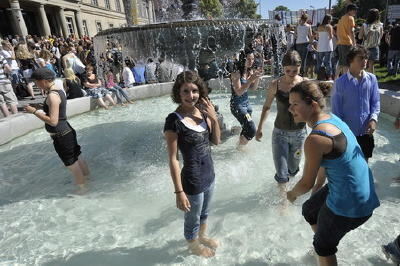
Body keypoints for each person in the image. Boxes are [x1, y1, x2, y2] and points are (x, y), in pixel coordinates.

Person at [286, 80, 380, 266]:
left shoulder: (315, 139)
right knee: (310, 210)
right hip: (364, 194)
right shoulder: (332, 119)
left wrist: (291, 195)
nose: (290, 109)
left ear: (312, 105)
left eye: (295, 104)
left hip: (351, 204)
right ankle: (322, 245)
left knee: (324, 246)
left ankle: (323, 248)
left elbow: (305, 183)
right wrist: (319, 187)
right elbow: (327, 161)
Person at [164, 71, 220, 257]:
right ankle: (194, 247)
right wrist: (179, 192)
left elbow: (216, 141)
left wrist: (213, 117)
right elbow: (173, 158)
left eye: (194, 90)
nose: (191, 95)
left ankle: (201, 237)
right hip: (192, 181)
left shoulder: (203, 113)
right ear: (178, 94)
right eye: (185, 91)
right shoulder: (174, 120)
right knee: (192, 219)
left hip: (209, 176)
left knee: (204, 213)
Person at [24, 68, 89, 190]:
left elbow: (53, 121)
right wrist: (43, 107)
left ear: (43, 81)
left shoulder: (52, 96)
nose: (36, 85)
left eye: (36, 82)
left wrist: (34, 111)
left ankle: (82, 191)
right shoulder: (59, 90)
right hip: (67, 131)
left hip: (61, 136)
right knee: (78, 157)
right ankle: (88, 180)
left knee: (72, 165)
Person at [256, 50, 306, 185]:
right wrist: (259, 128)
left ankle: (291, 187)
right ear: (283, 67)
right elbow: (266, 107)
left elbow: (313, 107)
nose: (291, 74)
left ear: (300, 68)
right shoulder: (275, 85)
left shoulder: (304, 84)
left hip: (299, 134)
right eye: (288, 70)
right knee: (282, 173)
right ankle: (283, 203)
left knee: (293, 169)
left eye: (294, 71)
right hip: (280, 134)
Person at [331, 45, 380, 162]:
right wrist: (341, 132)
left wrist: (373, 119)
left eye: (366, 58)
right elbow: (336, 111)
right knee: (348, 164)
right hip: (348, 134)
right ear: (351, 60)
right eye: (360, 58)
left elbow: (375, 101)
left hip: (366, 132)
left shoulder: (372, 79)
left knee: (364, 162)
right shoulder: (340, 83)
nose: (365, 61)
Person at [230, 50, 262, 147]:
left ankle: (240, 145)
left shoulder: (248, 71)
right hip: (238, 106)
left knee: (246, 127)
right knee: (251, 129)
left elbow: (253, 88)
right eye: (248, 59)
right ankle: (239, 149)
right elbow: (239, 92)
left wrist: (256, 79)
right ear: (242, 59)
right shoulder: (236, 73)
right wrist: (251, 79)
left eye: (252, 59)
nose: (251, 61)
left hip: (247, 106)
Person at [358, 9, 383, 74]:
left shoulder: (364, 25)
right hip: (375, 47)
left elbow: (359, 37)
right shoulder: (380, 25)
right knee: (371, 65)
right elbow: (380, 36)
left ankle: (363, 79)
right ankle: (372, 80)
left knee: (363, 64)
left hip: (365, 47)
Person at [336, 4, 358, 78]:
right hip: (347, 43)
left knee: (341, 62)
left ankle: (335, 78)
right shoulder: (350, 18)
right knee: (346, 63)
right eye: (354, 10)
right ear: (350, 10)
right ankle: (346, 80)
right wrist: (354, 43)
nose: (355, 11)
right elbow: (351, 32)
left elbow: (338, 31)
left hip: (340, 42)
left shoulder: (342, 18)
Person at [316, 15, 334, 80]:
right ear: (328, 19)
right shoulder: (329, 26)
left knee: (319, 62)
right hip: (328, 46)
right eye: (331, 19)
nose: (331, 20)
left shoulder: (319, 27)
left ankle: (320, 76)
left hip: (320, 46)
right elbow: (331, 36)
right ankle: (329, 76)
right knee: (328, 62)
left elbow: (317, 37)